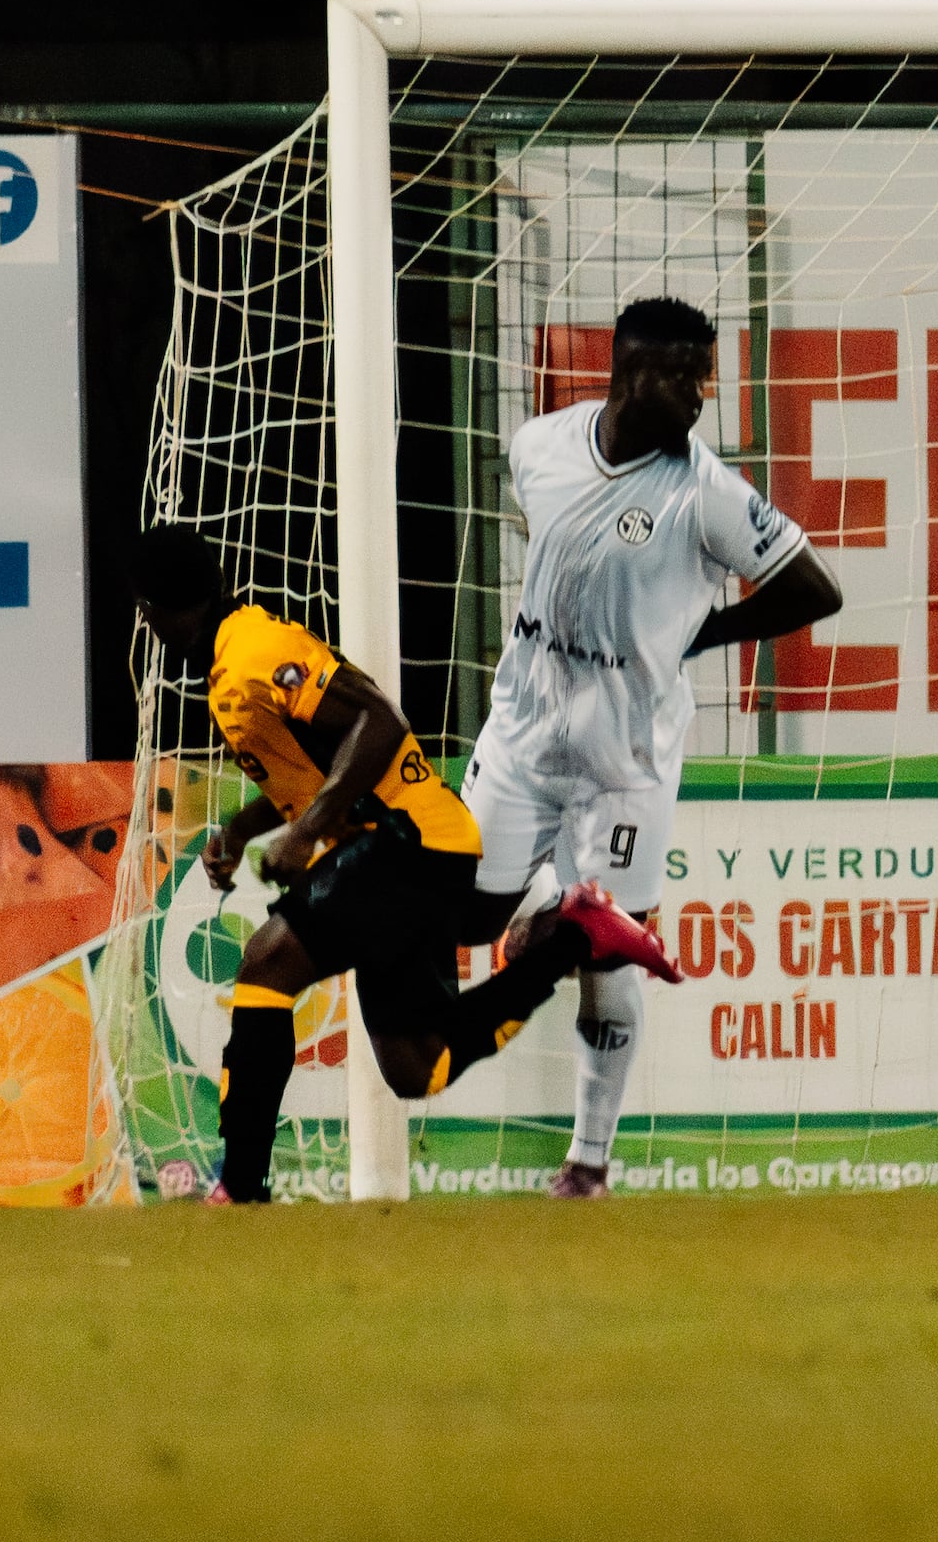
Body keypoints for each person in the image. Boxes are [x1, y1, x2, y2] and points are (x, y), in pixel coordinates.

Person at [139, 523, 654, 1203]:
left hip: (407, 840)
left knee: (267, 963)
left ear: (162, 607)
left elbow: (379, 723)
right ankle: (571, 941)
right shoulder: (234, 667)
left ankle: (239, 1186)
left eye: (144, 607)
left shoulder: (256, 652)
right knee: (419, 1065)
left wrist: (309, 832)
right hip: (405, 852)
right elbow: (308, 777)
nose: (143, 621)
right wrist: (241, 828)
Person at [472, 296, 840, 1196]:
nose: (699, 397)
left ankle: (589, 1163)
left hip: (626, 761)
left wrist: (698, 634)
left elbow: (815, 589)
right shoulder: (539, 448)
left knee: (607, 963)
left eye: (705, 379)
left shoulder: (706, 490)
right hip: (523, 731)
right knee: (479, 916)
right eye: (684, 377)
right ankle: (565, 907)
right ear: (628, 372)